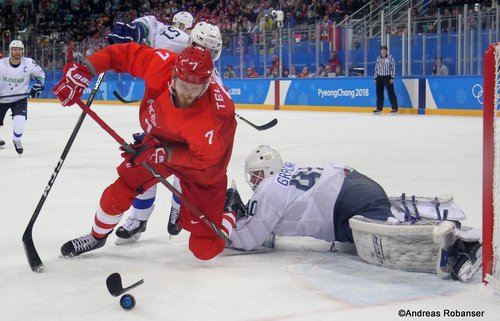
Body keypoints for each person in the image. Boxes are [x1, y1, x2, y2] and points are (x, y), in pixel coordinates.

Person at [52, 43, 237, 261]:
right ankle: (96, 236)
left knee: (205, 249)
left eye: (194, 89)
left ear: (206, 86)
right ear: (173, 75)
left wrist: (164, 154)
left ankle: (231, 206)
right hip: (160, 142)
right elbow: (121, 54)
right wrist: (85, 69)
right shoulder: (161, 64)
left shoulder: (214, 116)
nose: (187, 95)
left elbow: (205, 160)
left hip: (204, 169)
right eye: (183, 85)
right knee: (120, 190)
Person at [225, 145, 482, 282]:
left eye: (255, 174)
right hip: (355, 184)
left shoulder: (268, 190)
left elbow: (248, 239)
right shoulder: (287, 174)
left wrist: (227, 219)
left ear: (267, 171)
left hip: (344, 204)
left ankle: (464, 245)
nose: (253, 180)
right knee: (383, 215)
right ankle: (439, 216)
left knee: (387, 240)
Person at [108, 19, 224, 242]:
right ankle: (139, 218)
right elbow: (151, 25)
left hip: (185, 130)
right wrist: (135, 31)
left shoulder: (212, 76)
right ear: (191, 42)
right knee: (143, 164)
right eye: (202, 49)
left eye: (213, 52)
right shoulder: (175, 42)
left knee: (185, 166)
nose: (206, 56)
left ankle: (177, 209)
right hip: (159, 119)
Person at [0, 40, 45, 154]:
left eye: (20, 49)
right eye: (15, 49)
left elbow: (40, 75)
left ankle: (17, 140)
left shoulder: (29, 63)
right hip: (2, 98)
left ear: (22, 51)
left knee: (19, 121)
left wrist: (38, 85)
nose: (17, 52)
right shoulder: (1, 64)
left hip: (19, 98)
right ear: (10, 51)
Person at [373, 45, 398, 114]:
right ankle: (379, 108)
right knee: (379, 94)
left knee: (391, 93)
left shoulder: (390, 58)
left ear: (386, 51)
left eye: (384, 50)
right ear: (380, 51)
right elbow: (376, 68)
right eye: (382, 50)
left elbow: (393, 68)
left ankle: (394, 108)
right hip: (379, 77)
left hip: (388, 77)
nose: (383, 51)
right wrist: (375, 78)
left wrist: (392, 77)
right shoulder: (378, 58)